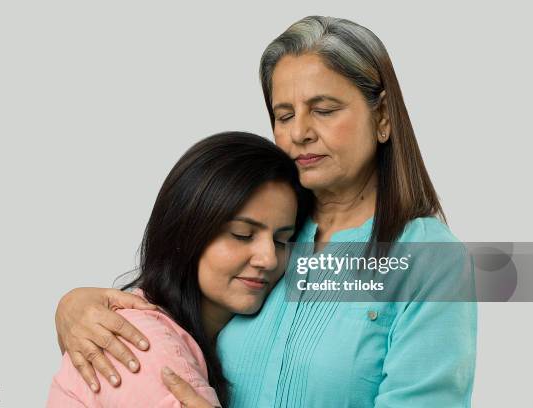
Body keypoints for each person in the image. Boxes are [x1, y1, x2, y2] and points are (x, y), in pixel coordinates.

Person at [54, 16, 477, 407]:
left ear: (382, 116)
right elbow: (171, 303)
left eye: (325, 110)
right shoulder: (270, 233)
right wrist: (73, 306)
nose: (299, 133)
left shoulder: (431, 259)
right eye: (283, 115)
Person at [47, 132, 311, 407]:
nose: (269, 259)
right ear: (188, 231)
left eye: (283, 240)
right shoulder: (143, 345)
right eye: (242, 235)